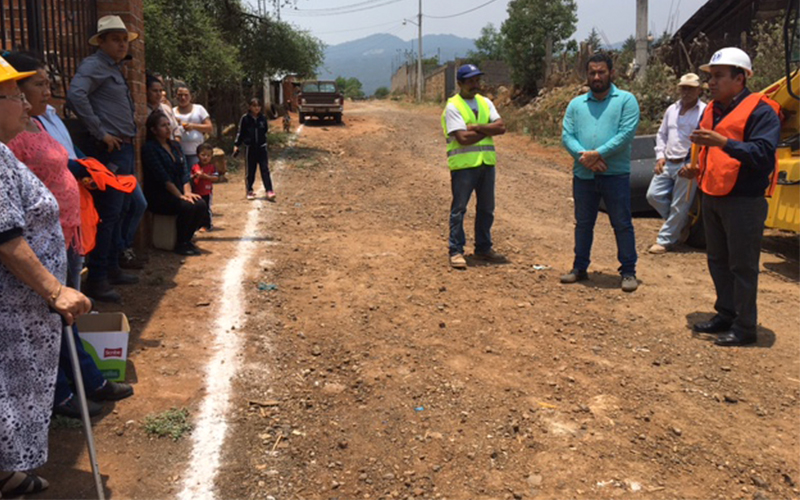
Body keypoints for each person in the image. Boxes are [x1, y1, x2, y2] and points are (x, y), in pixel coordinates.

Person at [4, 51, 134, 419]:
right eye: (37, 84)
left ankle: (84, 381)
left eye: (48, 83)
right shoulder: (9, 137)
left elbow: (61, 160)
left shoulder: (43, 121)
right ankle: (69, 389)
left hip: (64, 236)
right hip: (37, 247)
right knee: (54, 319)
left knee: (62, 318)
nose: (47, 90)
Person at [0, 54, 92, 496]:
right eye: (13, 94)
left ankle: (5, 475)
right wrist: (55, 291)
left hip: (24, 308)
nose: (22, 101)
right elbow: (7, 239)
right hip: (13, 308)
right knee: (7, 396)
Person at [680, 47, 781, 347]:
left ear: (740, 78)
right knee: (718, 261)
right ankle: (725, 313)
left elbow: (763, 154)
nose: (711, 83)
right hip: (712, 194)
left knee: (743, 265)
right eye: (710, 77)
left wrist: (724, 143)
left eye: (719, 76)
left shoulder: (762, 110)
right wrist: (692, 164)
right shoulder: (712, 108)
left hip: (743, 201)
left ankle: (745, 327)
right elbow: (701, 143)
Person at [66, 15, 143, 301]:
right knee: (109, 213)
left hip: (122, 148)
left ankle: (110, 269)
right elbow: (75, 96)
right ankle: (98, 278)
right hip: (110, 150)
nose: (122, 44)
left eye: (124, 39)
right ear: (101, 41)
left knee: (121, 209)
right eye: (115, 39)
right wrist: (101, 133)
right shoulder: (95, 65)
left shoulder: (111, 67)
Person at [561, 53, 641, 292]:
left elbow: (625, 135)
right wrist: (585, 158)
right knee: (583, 223)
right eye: (592, 72)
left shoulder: (626, 100)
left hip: (615, 174)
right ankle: (579, 268)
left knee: (622, 223)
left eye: (601, 72)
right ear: (587, 75)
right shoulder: (576, 104)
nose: (597, 77)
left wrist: (597, 154)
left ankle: (628, 271)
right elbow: (567, 136)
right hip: (583, 174)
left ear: (611, 73)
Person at [441, 64, 507, 269]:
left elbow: (502, 127)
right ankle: (456, 250)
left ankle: (483, 248)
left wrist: (477, 127)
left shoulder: (485, 102)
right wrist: (489, 130)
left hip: (486, 163)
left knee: (487, 208)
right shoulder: (453, 106)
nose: (475, 84)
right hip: (463, 166)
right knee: (459, 209)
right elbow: (462, 138)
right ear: (460, 83)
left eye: (477, 80)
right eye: (470, 81)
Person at [646, 73, 707, 254]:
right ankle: (681, 224)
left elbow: (705, 139)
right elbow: (661, 134)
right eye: (683, 88)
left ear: (699, 90)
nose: (686, 92)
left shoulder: (704, 111)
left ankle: (664, 240)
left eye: (690, 88)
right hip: (669, 161)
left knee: (680, 204)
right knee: (653, 196)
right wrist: (660, 156)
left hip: (688, 163)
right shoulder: (671, 109)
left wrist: (695, 163)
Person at [141, 112, 209, 255]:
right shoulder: (150, 148)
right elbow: (162, 177)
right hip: (160, 195)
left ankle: (187, 239)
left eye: (168, 125)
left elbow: (184, 172)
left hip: (178, 191)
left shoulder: (175, 146)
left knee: (200, 203)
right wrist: (180, 196)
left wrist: (187, 192)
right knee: (186, 206)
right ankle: (181, 243)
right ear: (153, 130)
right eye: (163, 125)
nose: (167, 128)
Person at [234, 97, 273, 201]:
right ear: (250, 107)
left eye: (258, 106)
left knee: (265, 169)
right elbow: (240, 133)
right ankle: (249, 190)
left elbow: (265, 130)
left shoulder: (263, 118)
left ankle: (269, 190)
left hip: (261, 148)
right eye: (254, 106)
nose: (256, 108)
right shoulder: (245, 119)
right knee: (251, 170)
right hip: (250, 148)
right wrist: (236, 145)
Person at [173, 84, 212, 169]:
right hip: (178, 154)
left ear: (191, 96)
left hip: (197, 153)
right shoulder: (172, 112)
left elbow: (209, 127)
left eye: (186, 95)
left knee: (197, 178)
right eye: (180, 95)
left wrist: (193, 126)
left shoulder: (199, 109)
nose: (183, 98)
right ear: (175, 96)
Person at [191, 142, 226, 229]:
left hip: (207, 192)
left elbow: (215, 178)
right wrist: (195, 175)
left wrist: (205, 176)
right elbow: (190, 178)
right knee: (196, 209)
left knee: (206, 209)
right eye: (203, 155)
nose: (205, 157)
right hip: (196, 192)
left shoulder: (212, 167)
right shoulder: (195, 166)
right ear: (197, 155)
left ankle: (207, 225)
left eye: (208, 155)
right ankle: (197, 225)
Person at [146, 73, 181, 142]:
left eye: (160, 91)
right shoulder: (143, 112)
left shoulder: (166, 109)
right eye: (155, 91)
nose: (158, 94)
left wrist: (175, 146)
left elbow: (176, 130)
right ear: (147, 91)